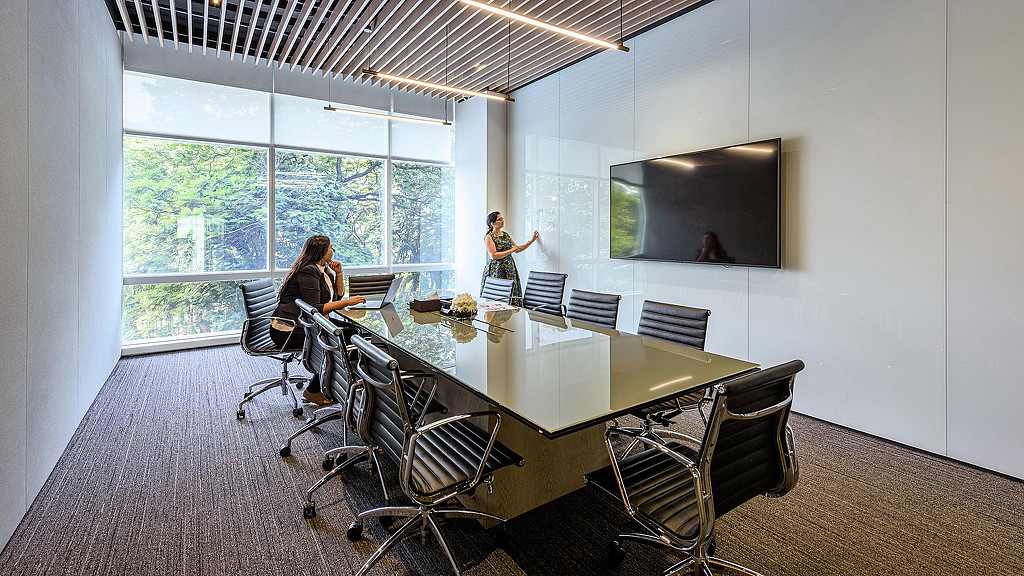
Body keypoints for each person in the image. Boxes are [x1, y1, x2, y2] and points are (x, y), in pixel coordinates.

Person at [270, 235, 366, 406]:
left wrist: (339, 273)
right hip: (289, 330)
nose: (333, 250)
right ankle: (315, 390)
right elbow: (315, 308)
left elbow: (336, 297)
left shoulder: (321, 269)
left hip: (304, 324)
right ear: (321, 251)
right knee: (343, 341)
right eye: (330, 247)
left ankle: (336, 382)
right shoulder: (308, 271)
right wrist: (348, 303)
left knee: (354, 332)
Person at [480, 211, 539, 304]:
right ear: (493, 223)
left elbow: (517, 249)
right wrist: (511, 250)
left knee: (511, 294)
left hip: (509, 267)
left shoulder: (506, 235)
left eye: (502, 218)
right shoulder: (489, 237)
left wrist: (531, 241)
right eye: (500, 219)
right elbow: (494, 255)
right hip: (497, 269)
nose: (502, 221)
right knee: (497, 295)